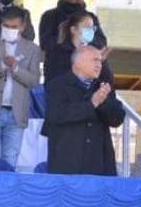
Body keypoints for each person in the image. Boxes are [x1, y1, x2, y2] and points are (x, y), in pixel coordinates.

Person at [44, 45, 124, 175]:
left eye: (100, 61)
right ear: (78, 63)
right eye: (95, 60)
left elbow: (117, 119)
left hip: (99, 164)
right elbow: (55, 115)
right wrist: (91, 103)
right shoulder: (57, 85)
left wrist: (102, 102)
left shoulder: (102, 86)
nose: (99, 65)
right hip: (68, 164)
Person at [0, 7, 42, 168]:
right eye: (6, 26)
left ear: (22, 26)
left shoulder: (32, 49)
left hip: (16, 113)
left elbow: (34, 81)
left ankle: (4, 193)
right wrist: (1, 65)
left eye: (14, 27)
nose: (10, 30)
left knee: (10, 160)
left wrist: (16, 68)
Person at [39, 0, 107, 54]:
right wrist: (64, 38)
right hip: (57, 63)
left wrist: (87, 36)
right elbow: (45, 45)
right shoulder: (50, 16)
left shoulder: (90, 18)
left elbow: (101, 43)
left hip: (84, 62)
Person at [44, 11, 113, 84]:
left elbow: (108, 81)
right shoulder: (57, 53)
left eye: (93, 28)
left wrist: (101, 62)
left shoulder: (94, 52)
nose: (91, 31)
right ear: (73, 30)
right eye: (87, 27)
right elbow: (54, 80)